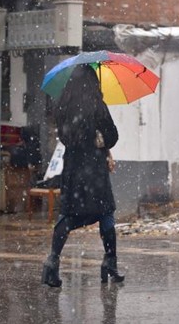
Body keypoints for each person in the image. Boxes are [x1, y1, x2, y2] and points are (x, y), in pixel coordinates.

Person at [41, 64, 124, 287]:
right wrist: (101, 140)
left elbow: (66, 139)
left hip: (73, 169)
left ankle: (52, 262)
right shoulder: (97, 105)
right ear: (93, 84)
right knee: (106, 213)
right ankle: (110, 261)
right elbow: (112, 135)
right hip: (94, 170)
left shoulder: (62, 108)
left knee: (68, 214)